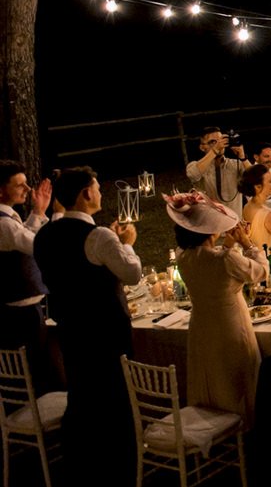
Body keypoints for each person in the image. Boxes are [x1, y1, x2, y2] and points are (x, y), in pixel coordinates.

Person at [34, 167, 142, 484]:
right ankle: (119, 465)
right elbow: (132, 274)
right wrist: (128, 243)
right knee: (114, 397)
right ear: (86, 193)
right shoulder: (98, 236)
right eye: (96, 187)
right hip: (106, 331)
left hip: (71, 328)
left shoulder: (45, 235)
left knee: (82, 394)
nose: (100, 192)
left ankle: (83, 464)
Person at [167, 191, 267, 424]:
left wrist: (228, 245)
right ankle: (244, 425)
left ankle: (212, 421)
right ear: (212, 231)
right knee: (237, 376)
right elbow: (260, 272)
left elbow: (209, 257)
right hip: (230, 325)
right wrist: (247, 243)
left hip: (201, 325)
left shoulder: (183, 257)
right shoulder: (225, 259)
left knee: (211, 375)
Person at [0, 161, 52, 390]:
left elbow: (26, 238)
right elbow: (39, 246)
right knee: (34, 373)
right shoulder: (4, 225)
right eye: (19, 185)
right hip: (19, 315)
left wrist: (38, 212)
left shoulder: (9, 220)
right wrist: (58, 214)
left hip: (24, 311)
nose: (28, 189)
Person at [188, 127, 252, 213]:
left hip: (234, 222)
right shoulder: (195, 165)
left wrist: (243, 158)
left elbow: (256, 178)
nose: (219, 144)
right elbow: (193, 174)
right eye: (213, 142)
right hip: (210, 222)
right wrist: (215, 150)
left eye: (221, 140)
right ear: (202, 147)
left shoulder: (236, 164)